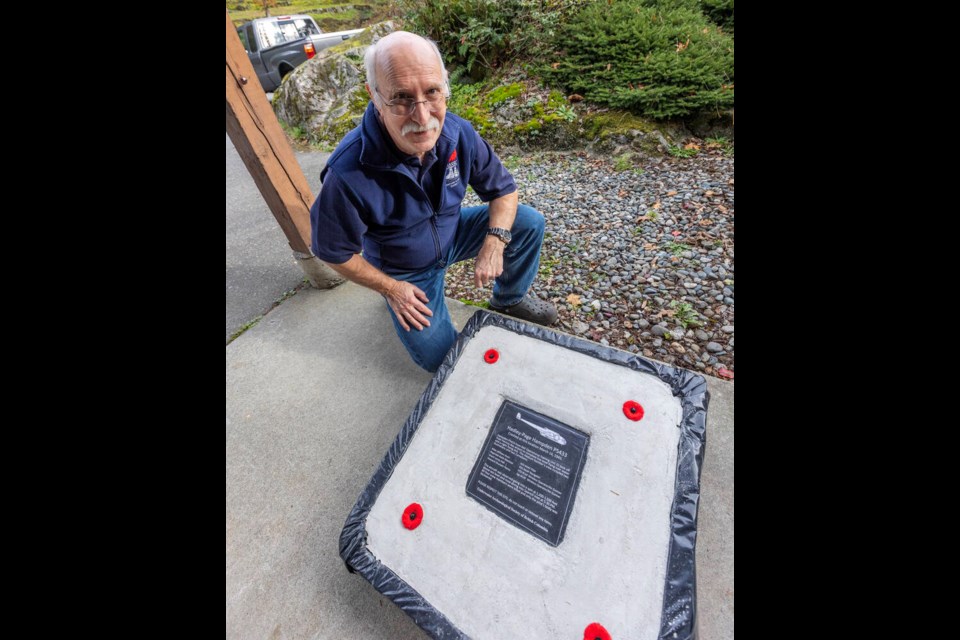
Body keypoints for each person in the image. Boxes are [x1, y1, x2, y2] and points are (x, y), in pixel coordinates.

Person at [309, 30, 557, 372]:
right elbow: (331, 251)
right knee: (447, 363)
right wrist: (391, 288)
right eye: (401, 97)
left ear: (445, 87)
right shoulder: (348, 171)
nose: (423, 117)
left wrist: (495, 241)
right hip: (405, 270)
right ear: (375, 96)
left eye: (432, 92)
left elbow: (504, 191)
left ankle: (509, 299)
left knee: (527, 222)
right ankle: (398, 298)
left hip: (452, 236)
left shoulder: (459, 133)